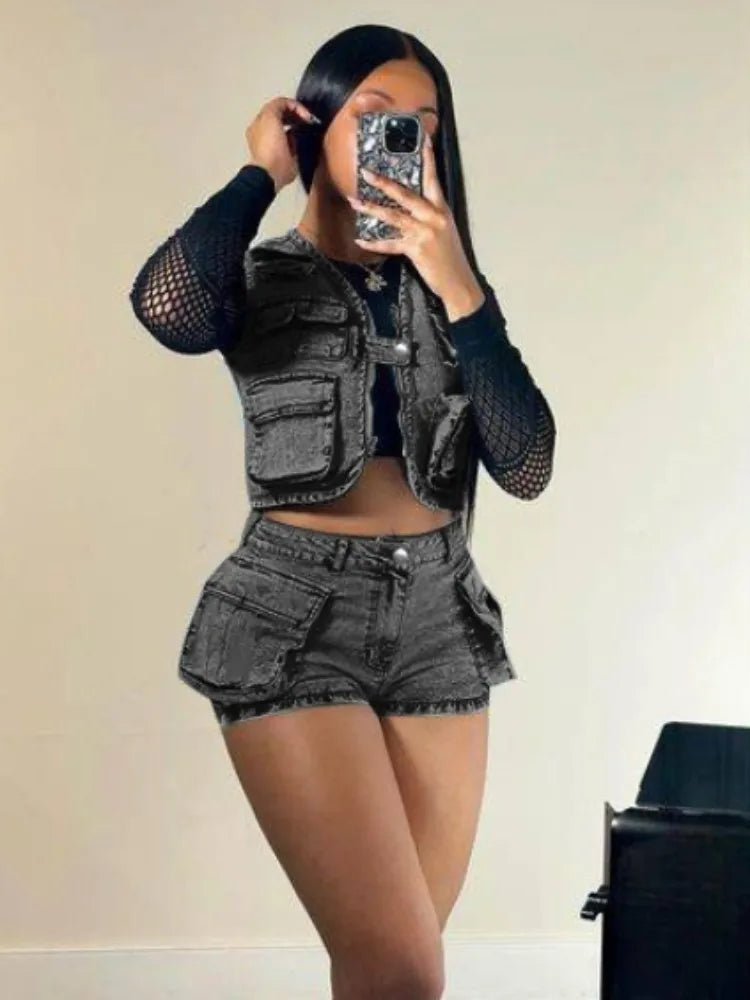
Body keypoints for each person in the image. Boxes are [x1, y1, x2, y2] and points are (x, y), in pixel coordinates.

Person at [129, 23, 555, 1000]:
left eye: (424, 125)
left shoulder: (451, 293)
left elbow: (527, 464)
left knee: (398, 975)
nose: (403, 138)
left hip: (441, 620)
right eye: (374, 116)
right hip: (292, 617)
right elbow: (167, 309)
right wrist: (260, 173)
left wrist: (459, 284)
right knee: (398, 968)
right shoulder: (258, 275)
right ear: (314, 124)